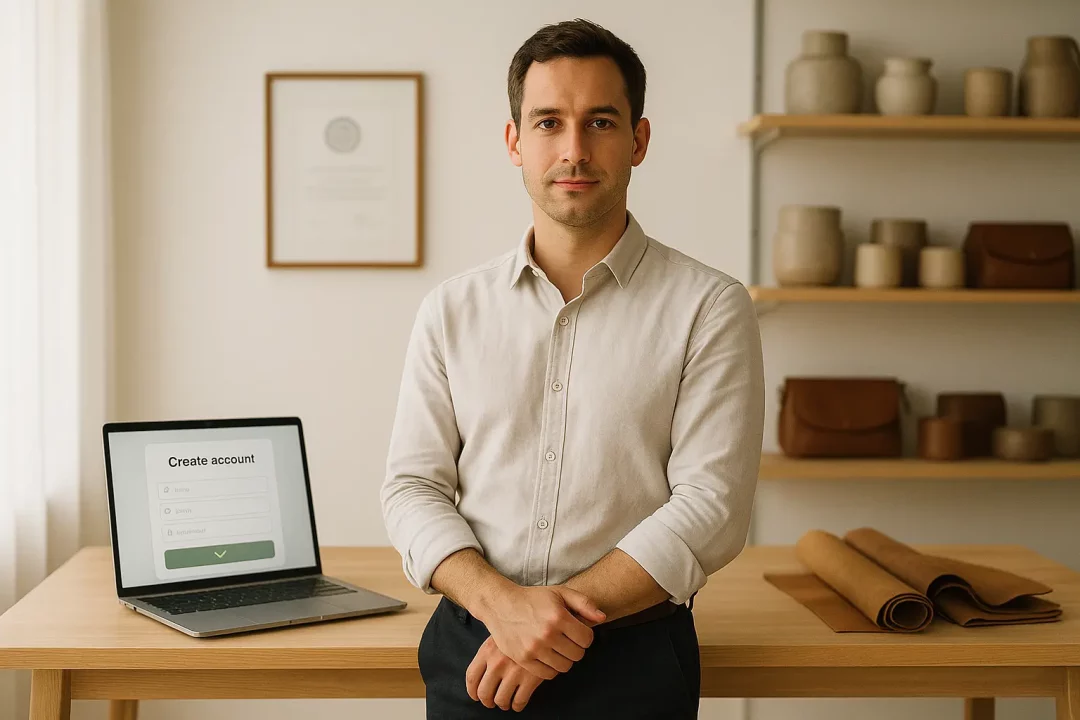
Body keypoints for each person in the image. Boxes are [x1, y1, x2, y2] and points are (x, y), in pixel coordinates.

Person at [381, 17, 765, 718]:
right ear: (515, 142)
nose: (574, 149)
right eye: (550, 122)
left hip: (636, 661)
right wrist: (506, 609)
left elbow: (712, 504)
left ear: (638, 140)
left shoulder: (711, 306)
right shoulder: (451, 310)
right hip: (474, 651)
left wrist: (549, 623)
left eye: (601, 122)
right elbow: (411, 488)